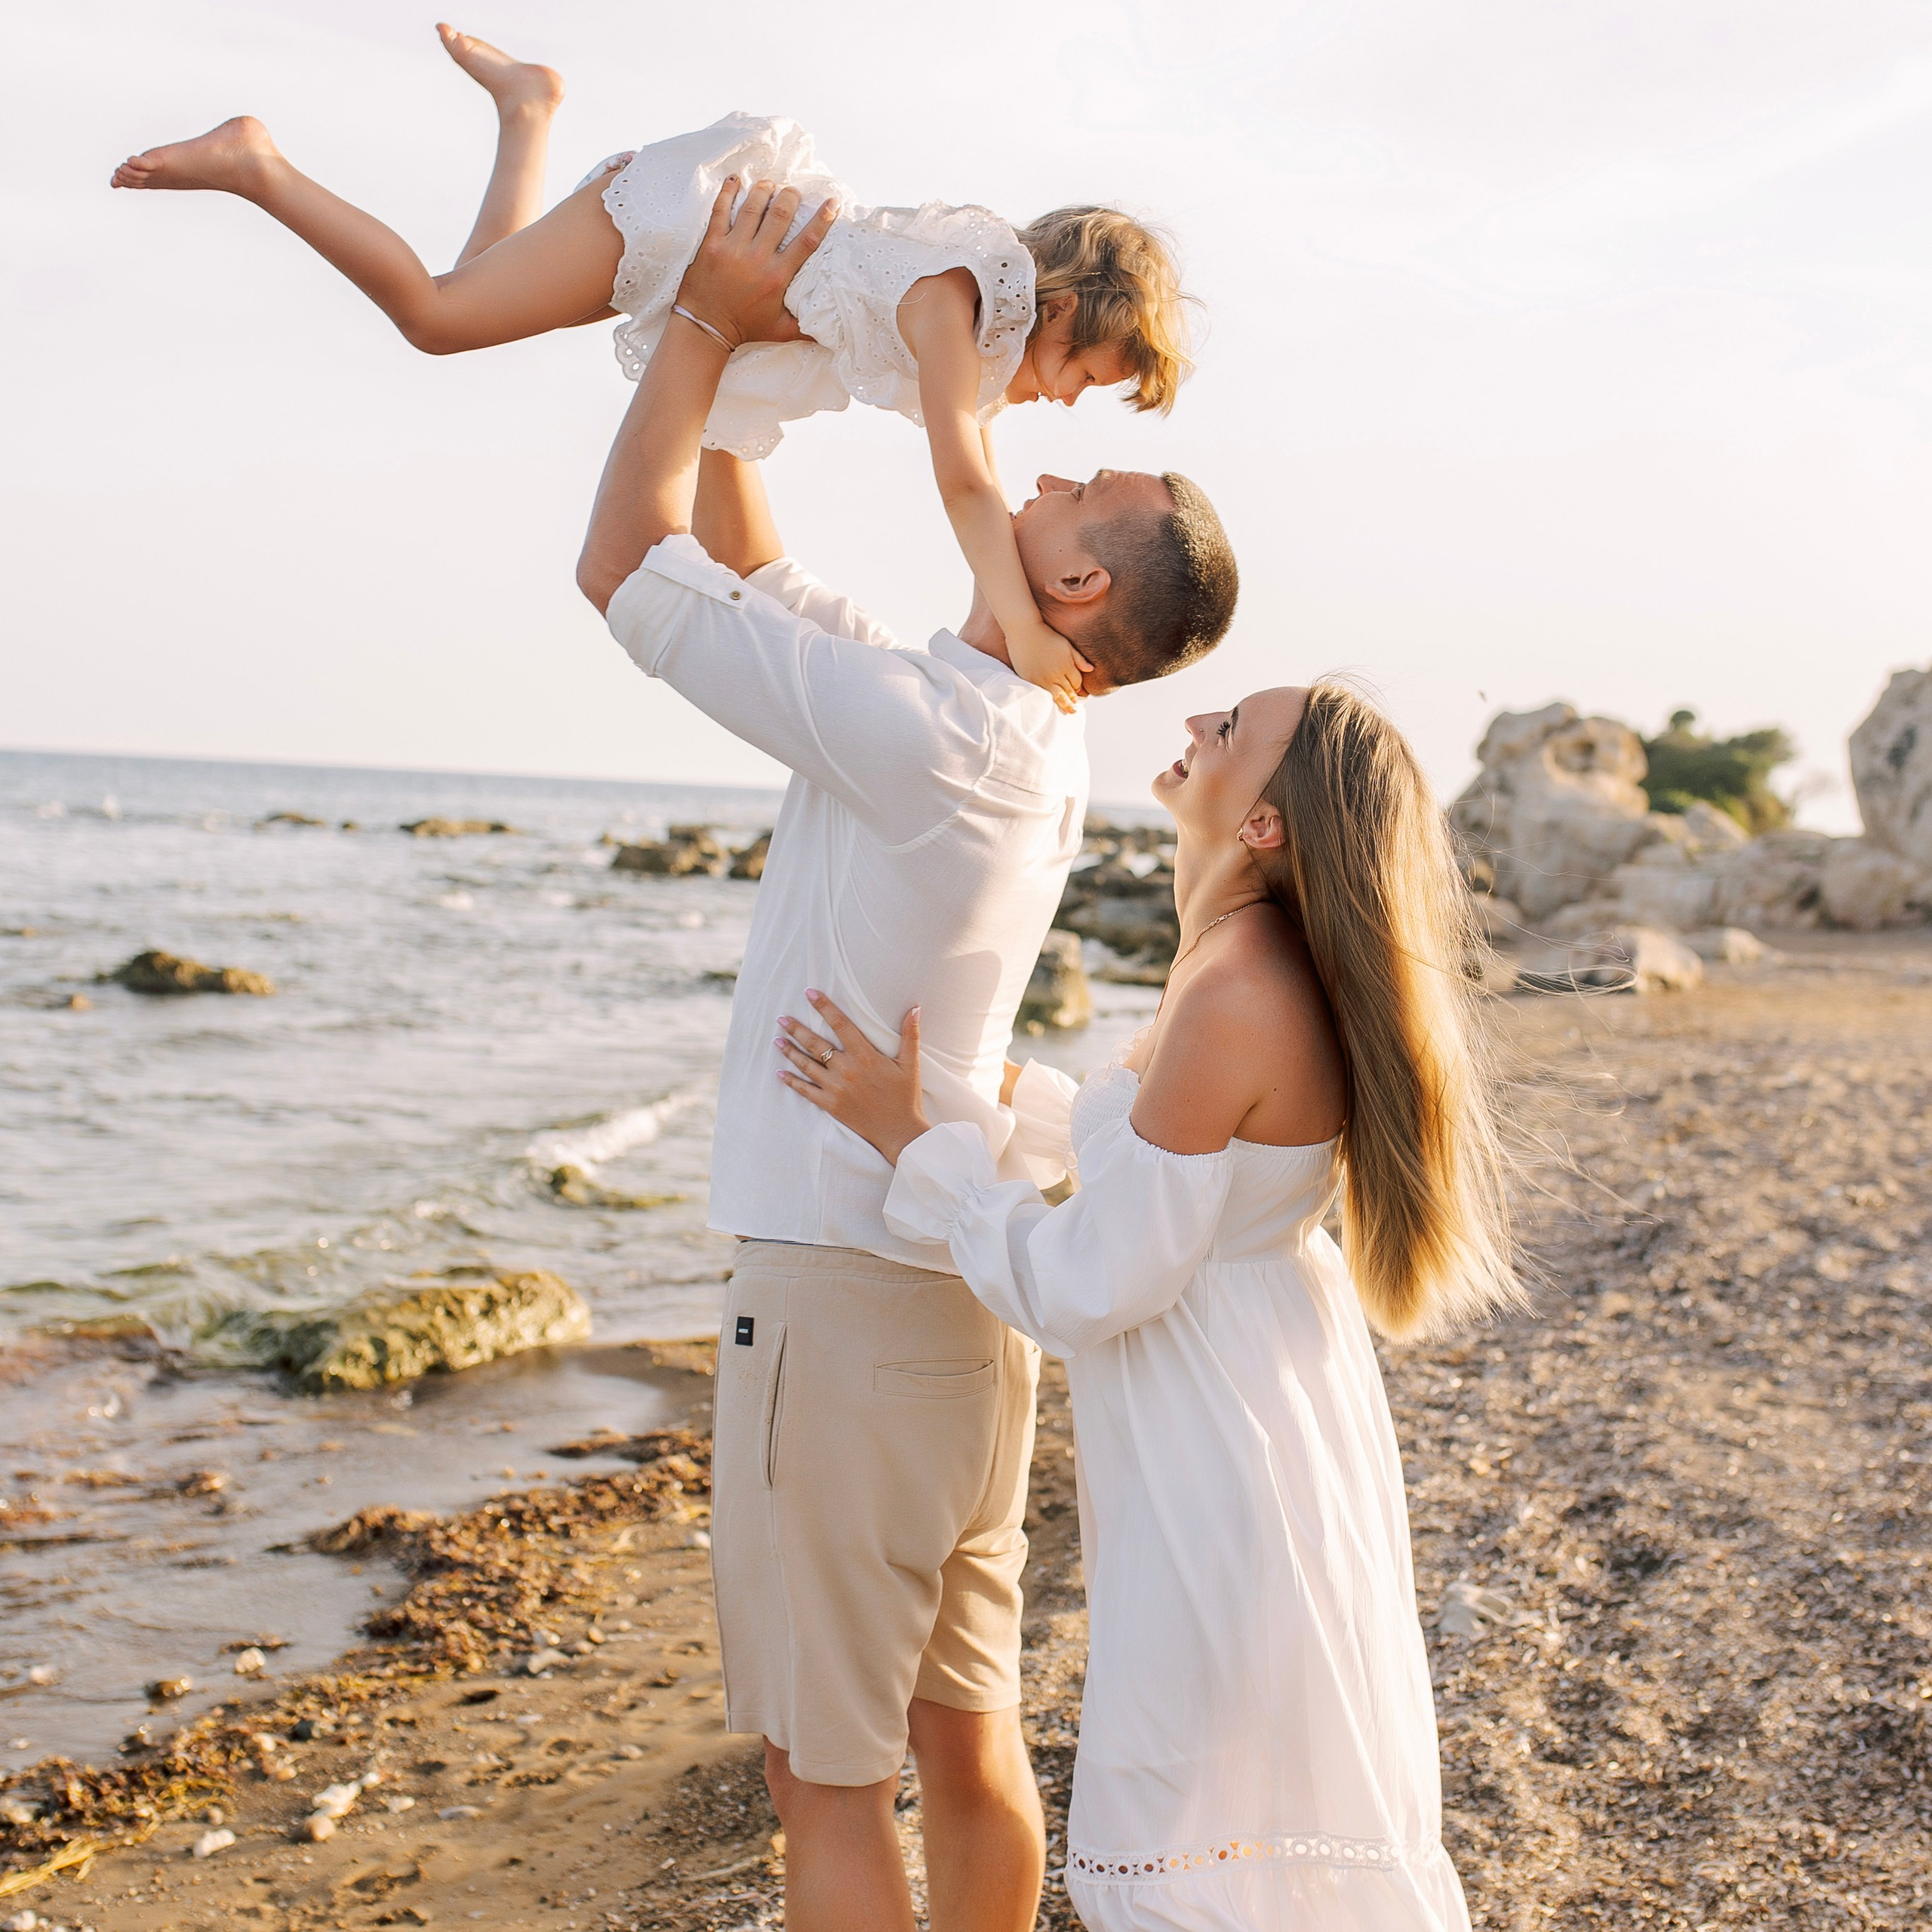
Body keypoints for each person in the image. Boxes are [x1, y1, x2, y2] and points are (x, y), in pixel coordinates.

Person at [572, 178, 1238, 1930]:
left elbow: (621, 565)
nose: (1035, 471)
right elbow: (752, 565)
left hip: (842, 1300)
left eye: (1077, 488)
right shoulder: (993, 732)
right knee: (965, 1736)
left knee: (827, 1782)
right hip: (946, 1287)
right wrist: (771, 340)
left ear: (1078, 580)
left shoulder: (931, 736)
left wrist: (706, 322)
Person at [775, 680, 1521, 1930]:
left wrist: (916, 1143)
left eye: (1227, 732)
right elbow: (1195, 1177)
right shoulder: (1250, 963)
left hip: (1214, 1444)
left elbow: (1087, 1285)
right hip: (1259, 1399)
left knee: (1197, 1828)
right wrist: (1006, 1096)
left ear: (1269, 825)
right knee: (1243, 1820)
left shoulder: (1237, 985)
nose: (1192, 730)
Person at [111, 23, 1195, 712]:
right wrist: (1029, 641)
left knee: (477, 285)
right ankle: (260, 163)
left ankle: (528, 107)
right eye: (1079, 367)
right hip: (695, 218)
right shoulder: (958, 292)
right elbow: (967, 485)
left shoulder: (969, 324)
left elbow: (980, 480)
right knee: (439, 320)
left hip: (700, 236)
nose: (1062, 397)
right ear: (1057, 297)